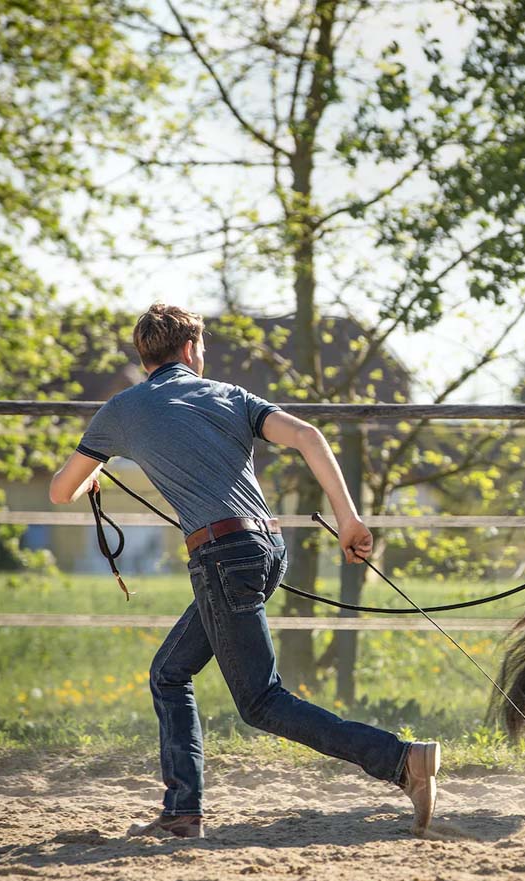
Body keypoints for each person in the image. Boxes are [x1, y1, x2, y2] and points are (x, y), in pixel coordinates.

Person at [50, 304, 440, 838]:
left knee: (261, 701)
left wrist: (92, 472)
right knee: (169, 672)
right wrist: (348, 521)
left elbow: (59, 490)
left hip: (220, 558)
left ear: (145, 357)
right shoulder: (230, 396)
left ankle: (401, 760)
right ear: (190, 350)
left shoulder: (120, 410)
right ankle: (182, 811)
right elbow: (308, 436)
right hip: (266, 547)